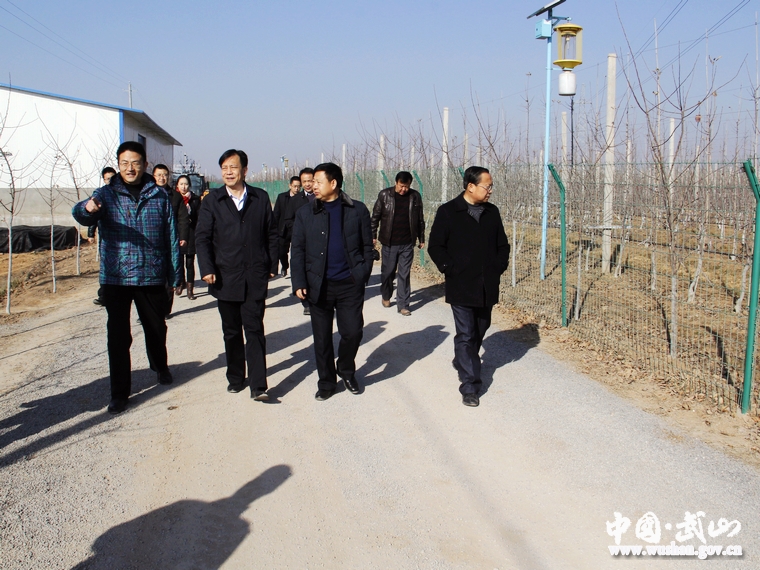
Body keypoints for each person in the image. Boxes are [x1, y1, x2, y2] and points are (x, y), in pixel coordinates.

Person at [72, 141, 181, 414]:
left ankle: (160, 366)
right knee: (118, 337)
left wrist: (174, 276)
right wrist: (87, 208)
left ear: (145, 164)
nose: (130, 168)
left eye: (135, 163)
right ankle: (119, 393)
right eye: (124, 163)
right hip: (116, 277)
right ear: (118, 165)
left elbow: (170, 236)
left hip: (151, 274)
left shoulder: (159, 195)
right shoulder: (105, 194)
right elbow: (81, 215)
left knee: (156, 328)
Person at [195, 149, 278, 401]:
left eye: (233, 167)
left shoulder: (260, 198)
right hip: (225, 277)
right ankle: (235, 376)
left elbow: (271, 234)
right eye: (224, 168)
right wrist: (207, 268)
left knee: (254, 330)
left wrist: (271, 263)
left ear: (244, 170)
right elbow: (202, 238)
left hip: (254, 276)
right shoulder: (212, 200)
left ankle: (258, 385)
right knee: (231, 332)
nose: (228, 172)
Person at [427, 166, 510, 408]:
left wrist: (498, 266)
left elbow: (502, 245)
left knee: (481, 328)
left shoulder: (492, 212)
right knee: (466, 334)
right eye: (487, 186)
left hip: (487, 284)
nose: (490, 190)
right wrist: (450, 268)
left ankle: (463, 359)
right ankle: (470, 386)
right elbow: (436, 246)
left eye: (491, 186)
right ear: (471, 186)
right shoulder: (448, 211)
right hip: (461, 284)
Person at [290, 162, 373, 401]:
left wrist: (362, 273)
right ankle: (326, 382)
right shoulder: (306, 213)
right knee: (322, 338)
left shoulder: (357, 210)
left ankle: (345, 370)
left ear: (333, 183)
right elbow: (297, 250)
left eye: (318, 181)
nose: (313, 186)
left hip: (349, 283)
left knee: (352, 332)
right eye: (312, 182)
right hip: (319, 285)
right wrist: (299, 282)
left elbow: (367, 246)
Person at [371, 171, 425, 316]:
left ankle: (403, 305)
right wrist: (373, 236)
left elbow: (420, 219)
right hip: (389, 242)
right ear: (396, 183)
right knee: (388, 272)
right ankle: (386, 295)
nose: (403, 189)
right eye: (401, 186)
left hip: (407, 243)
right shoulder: (384, 195)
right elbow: (375, 217)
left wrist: (421, 238)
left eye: (406, 186)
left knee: (404, 274)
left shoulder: (415, 196)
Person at [154, 164, 189, 317]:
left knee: (170, 276)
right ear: (154, 176)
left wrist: (183, 237)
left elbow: (183, 218)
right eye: (159, 175)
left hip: (171, 242)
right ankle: (150, 312)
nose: (162, 178)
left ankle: (165, 309)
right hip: (153, 242)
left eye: (164, 175)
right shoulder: (148, 195)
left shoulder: (175, 196)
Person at [90, 166, 117, 306]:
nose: (110, 181)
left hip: (121, 238)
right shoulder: (100, 195)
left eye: (112, 178)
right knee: (105, 266)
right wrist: (91, 233)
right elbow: (92, 215)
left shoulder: (122, 194)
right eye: (107, 179)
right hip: (106, 238)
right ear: (104, 180)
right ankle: (103, 295)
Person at [174, 175, 202, 300]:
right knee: (179, 262)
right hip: (178, 233)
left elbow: (199, 217)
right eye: (181, 184)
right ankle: (181, 283)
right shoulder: (174, 199)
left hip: (191, 233)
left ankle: (190, 290)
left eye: (186, 184)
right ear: (177, 185)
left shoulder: (195, 199)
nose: (184, 187)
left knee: (189, 263)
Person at [271, 176, 304, 277]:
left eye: (298, 186)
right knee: (281, 251)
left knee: (296, 252)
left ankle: (296, 271)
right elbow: (276, 213)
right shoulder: (282, 197)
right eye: (294, 186)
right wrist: (274, 228)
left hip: (296, 229)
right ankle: (285, 266)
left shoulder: (302, 199)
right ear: (290, 186)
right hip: (283, 230)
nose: (296, 189)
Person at [297, 167, 316, 314]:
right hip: (302, 240)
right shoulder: (296, 200)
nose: (307, 184)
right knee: (303, 269)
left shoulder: (322, 197)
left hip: (319, 240)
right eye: (304, 181)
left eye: (310, 180)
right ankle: (306, 302)